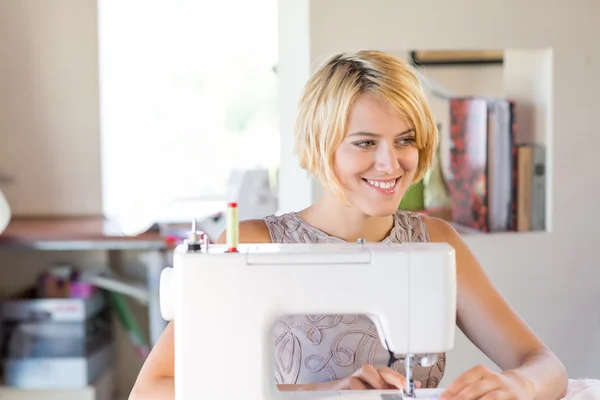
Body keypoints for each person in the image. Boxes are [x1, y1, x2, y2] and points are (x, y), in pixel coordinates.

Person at [129, 50, 568, 400]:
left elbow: (542, 362)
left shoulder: (435, 242)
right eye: (365, 143)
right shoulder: (252, 244)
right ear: (322, 146)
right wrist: (321, 395)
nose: (390, 163)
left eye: (405, 140)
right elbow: (152, 390)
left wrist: (521, 385)